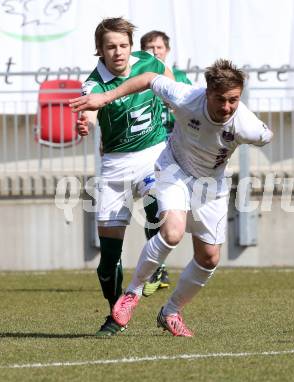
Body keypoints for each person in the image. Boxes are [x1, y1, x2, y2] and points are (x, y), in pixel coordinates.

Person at [70, 59, 273, 337]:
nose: (226, 107)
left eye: (233, 100)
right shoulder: (187, 97)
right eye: (220, 99)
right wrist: (105, 97)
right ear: (207, 92)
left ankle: (171, 311)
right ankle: (132, 293)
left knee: (210, 258)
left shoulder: (248, 126)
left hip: (211, 186)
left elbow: (265, 134)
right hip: (173, 169)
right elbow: (148, 78)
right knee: (173, 232)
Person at [76, 17, 173, 337]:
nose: (118, 52)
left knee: (157, 207)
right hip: (116, 166)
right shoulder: (94, 83)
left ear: (131, 46)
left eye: (123, 46)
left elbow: (169, 81)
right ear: (99, 51)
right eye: (110, 47)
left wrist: (176, 107)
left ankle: (157, 266)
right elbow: (90, 109)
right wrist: (85, 123)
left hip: (153, 156)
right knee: (109, 257)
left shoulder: (149, 62)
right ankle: (115, 311)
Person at [139, 30, 192, 297]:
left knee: (181, 215)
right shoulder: (139, 81)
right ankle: (157, 267)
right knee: (151, 204)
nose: (154, 52)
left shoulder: (180, 79)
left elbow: (194, 114)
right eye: (149, 48)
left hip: (182, 155)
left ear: (167, 51)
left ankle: (194, 264)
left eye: (158, 47)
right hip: (153, 154)